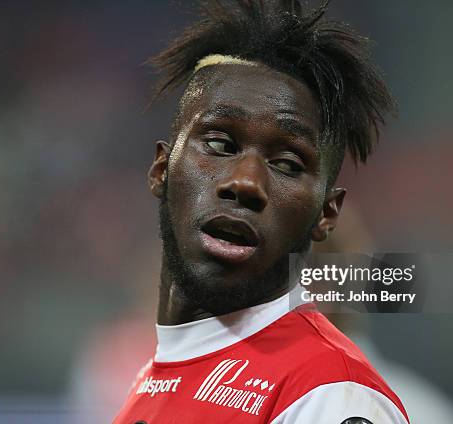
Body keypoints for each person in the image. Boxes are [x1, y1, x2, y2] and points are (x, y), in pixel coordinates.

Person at [114, 0, 407, 422]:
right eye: (219, 144)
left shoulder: (328, 397)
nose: (246, 183)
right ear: (162, 169)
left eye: (287, 164)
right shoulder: (154, 377)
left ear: (326, 213)